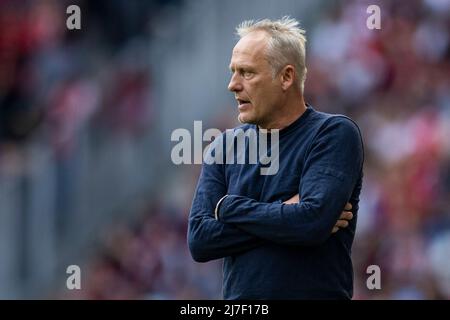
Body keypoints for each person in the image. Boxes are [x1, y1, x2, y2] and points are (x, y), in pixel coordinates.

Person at [188, 17, 364, 299]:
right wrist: (287, 211)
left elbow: (311, 223)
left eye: (246, 73)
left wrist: (231, 208)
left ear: (286, 77)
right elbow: (200, 240)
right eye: (234, 72)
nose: (232, 85)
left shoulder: (333, 133)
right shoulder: (224, 147)